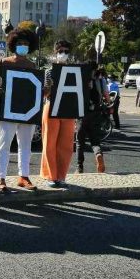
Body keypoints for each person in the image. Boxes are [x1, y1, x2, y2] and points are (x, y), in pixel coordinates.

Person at [0, 28, 39, 192]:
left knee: (26, 145)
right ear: (13, 44)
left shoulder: (32, 65)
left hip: (28, 111)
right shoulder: (4, 63)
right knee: (4, 144)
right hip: (7, 111)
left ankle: (24, 176)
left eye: (26, 44)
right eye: (20, 43)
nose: (23, 46)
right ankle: (1, 178)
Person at [40, 40, 77, 188]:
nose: (64, 54)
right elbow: (44, 93)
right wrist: (48, 87)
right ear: (55, 52)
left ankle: (61, 176)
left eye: (67, 51)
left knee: (66, 144)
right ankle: (51, 175)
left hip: (68, 109)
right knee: (50, 143)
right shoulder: (49, 71)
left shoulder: (74, 71)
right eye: (61, 51)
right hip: (51, 107)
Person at [75, 61, 107, 174]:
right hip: (96, 113)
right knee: (95, 141)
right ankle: (98, 154)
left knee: (80, 142)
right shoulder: (100, 80)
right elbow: (106, 96)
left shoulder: (80, 79)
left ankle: (79, 167)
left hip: (82, 114)